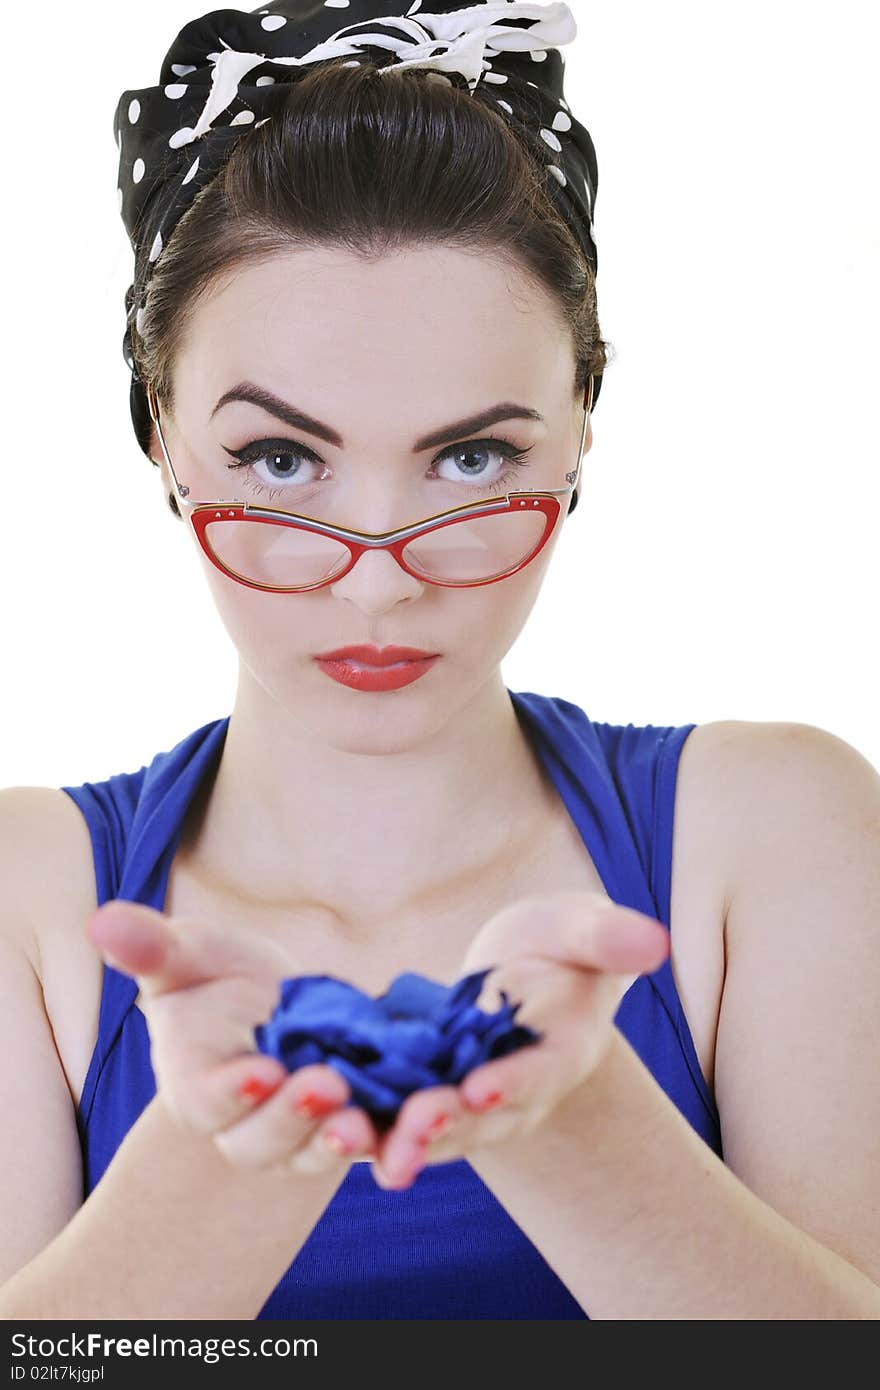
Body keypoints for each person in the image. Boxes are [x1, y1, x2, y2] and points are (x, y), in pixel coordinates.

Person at [1, 0, 878, 1323]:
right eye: (280, 459)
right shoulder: (28, 903)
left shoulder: (778, 827)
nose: (379, 568)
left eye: (472, 458)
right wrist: (221, 1153)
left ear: (580, 428)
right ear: (162, 433)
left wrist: (577, 1125)